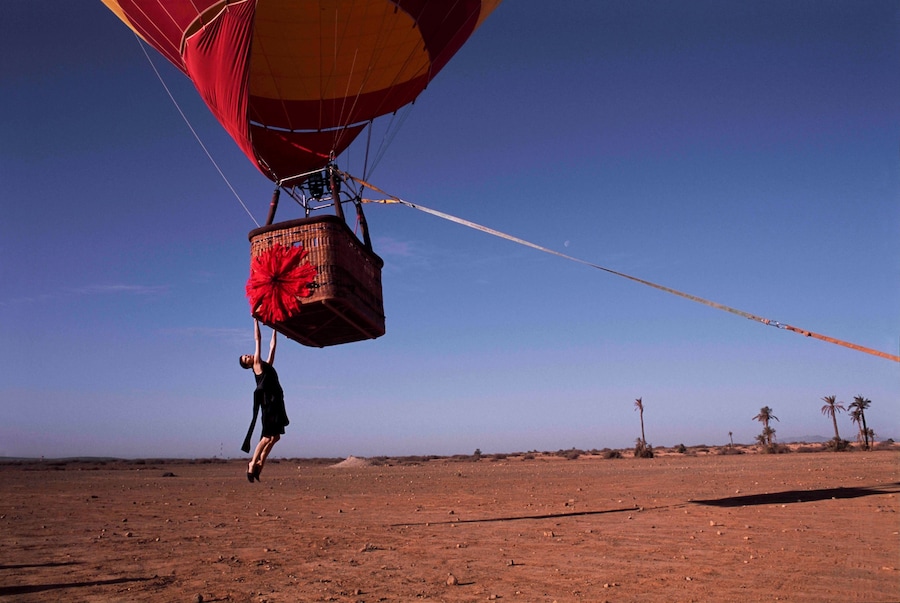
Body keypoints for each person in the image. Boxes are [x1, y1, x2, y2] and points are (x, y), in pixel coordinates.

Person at [239, 319, 289, 482]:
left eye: (247, 355)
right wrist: (255, 321)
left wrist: (275, 329)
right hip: (268, 405)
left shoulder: (267, 365)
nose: (249, 355)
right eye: (247, 358)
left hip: (276, 403)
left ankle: (261, 463)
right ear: (249, 366)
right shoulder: (258, 366)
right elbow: (258, 339)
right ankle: (252, 463)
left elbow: (272, 347)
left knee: (276, 437)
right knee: (267, 437)